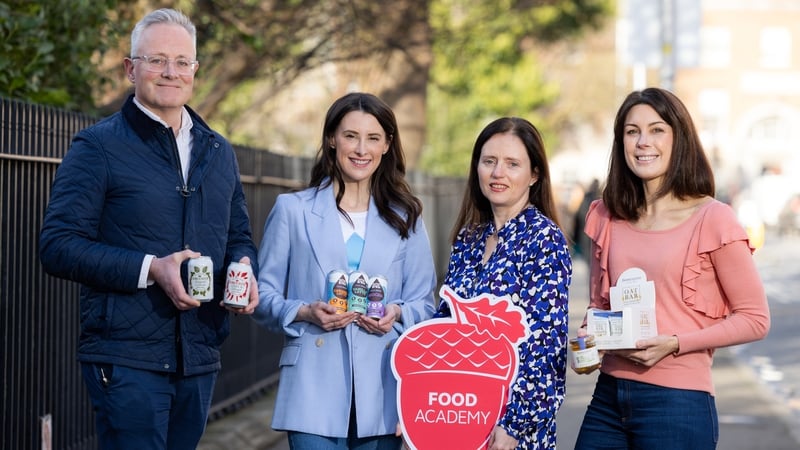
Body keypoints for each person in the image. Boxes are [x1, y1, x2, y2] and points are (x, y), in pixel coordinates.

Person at [39, 8, 259, 449]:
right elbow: (57, 245)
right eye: (156, 59)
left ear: (195, 70)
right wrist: (151, 268)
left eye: (182, 62)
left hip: (199, 353)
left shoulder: (218, 152)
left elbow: (237, 235)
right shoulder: (97, 146)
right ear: (130, 69)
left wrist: (245, 268)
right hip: (126, 359)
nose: (170, 72)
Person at [573, 87, 770, 449]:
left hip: (678, 402)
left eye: (657, 129)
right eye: (632, 132)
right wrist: (591, 337)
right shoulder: (605, 214)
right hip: (608, 399)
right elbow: (600, 305)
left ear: (679, 138)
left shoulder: (713, 218)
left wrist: (676, 344)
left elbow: (755, 318)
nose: (643, 141)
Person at [252, 92, 437, 449]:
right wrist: (303, 311)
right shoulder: (292, 210)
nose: (360, 149)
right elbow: (263, 297)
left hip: (384, 388)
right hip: (311, 387)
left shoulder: (407, 217)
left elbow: (424, 304)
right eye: (351, 135)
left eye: (373, 138)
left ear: (387, 145)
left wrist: (396, 312)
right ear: (332, 140)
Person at [433, 117, 572, 449]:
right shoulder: (468, 239)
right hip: (458, 415)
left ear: (534, 174)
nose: (498, 173)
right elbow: (444, 327)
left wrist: (514, 425)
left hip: (510, 430)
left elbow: (546, 346)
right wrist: (422, 408)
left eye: (512, 164)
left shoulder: (543, 239)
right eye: (489, 161)